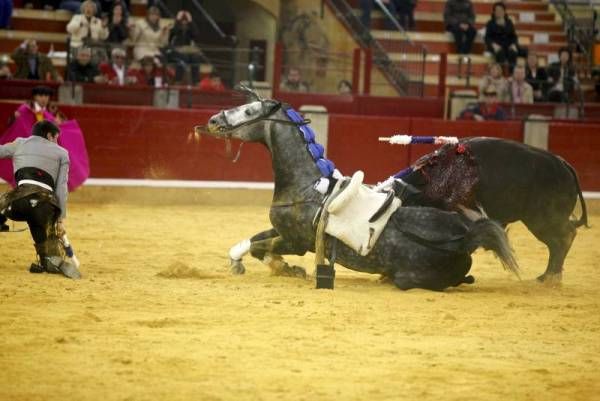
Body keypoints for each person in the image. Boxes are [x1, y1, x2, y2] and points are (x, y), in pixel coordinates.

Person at [0, 120, 81, 279]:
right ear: (49, 135)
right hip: (45, 208)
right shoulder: (62, 153)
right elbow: (61, 189)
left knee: (5, 203)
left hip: (16, 204)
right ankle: (48, 259)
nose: (57, 142)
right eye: (56, 138)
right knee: (45, 238)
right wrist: (59, 219)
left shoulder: (19, 143)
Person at [167, 10, 205, 85]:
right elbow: (174, 32)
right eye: (182, 20)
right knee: (183, 57)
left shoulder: (189, 29)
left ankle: (196, 81)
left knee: (195, 57)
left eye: (186, 20)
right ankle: (178, 80)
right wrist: (177, 20)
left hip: (186, 51)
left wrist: (191, 21)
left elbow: (196, 34)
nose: (184, 22)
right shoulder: (175, 26)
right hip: (174, 50)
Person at [484, 2, 520, 66]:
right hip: (496, 46)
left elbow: (514, 36)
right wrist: (493, 44)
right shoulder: (490, 23)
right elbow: (487, 38)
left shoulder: (509, 22)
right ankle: (501, 73)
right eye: (497, 10)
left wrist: (513, 44)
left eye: (501, 10)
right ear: (494, 12)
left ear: (504, 11)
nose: (499, 12)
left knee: (514, 52)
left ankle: (513, 73)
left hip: (508, 45)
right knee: (500, 52)